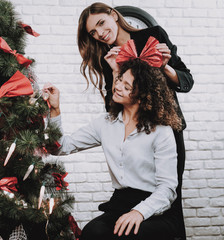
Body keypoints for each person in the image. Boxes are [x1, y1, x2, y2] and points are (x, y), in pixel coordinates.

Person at [43, 37, 183, 240]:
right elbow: (60, 147)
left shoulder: (161, 132)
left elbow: (168, 189)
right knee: (92, 233)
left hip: (155, 209)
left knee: (128, 235)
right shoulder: (105, 123)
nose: (118, 87)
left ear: (143, 95)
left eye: (127, 86)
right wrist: (55, 109)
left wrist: (139, 212)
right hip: (120, 204)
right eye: (119, 80)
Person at [76, 3, 194, 239]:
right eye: (93, 33)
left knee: (169, 198)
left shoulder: (153, 35)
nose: (100, 34)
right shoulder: (105, 58)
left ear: (113, 15)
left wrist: (166, 67)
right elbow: (113, 106)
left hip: (164, 129)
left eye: (101, 23)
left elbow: (186, 80)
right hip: (133, 133)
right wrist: (114, 72)